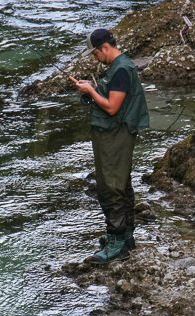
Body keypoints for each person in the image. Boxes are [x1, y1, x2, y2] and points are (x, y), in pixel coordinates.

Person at [68, 28, 149, 264]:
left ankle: (116, 242)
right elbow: (111, 98)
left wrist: (91, 90)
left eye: (95, 53)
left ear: (105, 47)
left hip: (116, 135)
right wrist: (91, 89)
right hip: (112, 133)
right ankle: (126, 236)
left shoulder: (122, 70)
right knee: (121, 183)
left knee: (110, 186)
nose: (95, 58)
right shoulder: (117, 68)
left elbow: (112, 107)